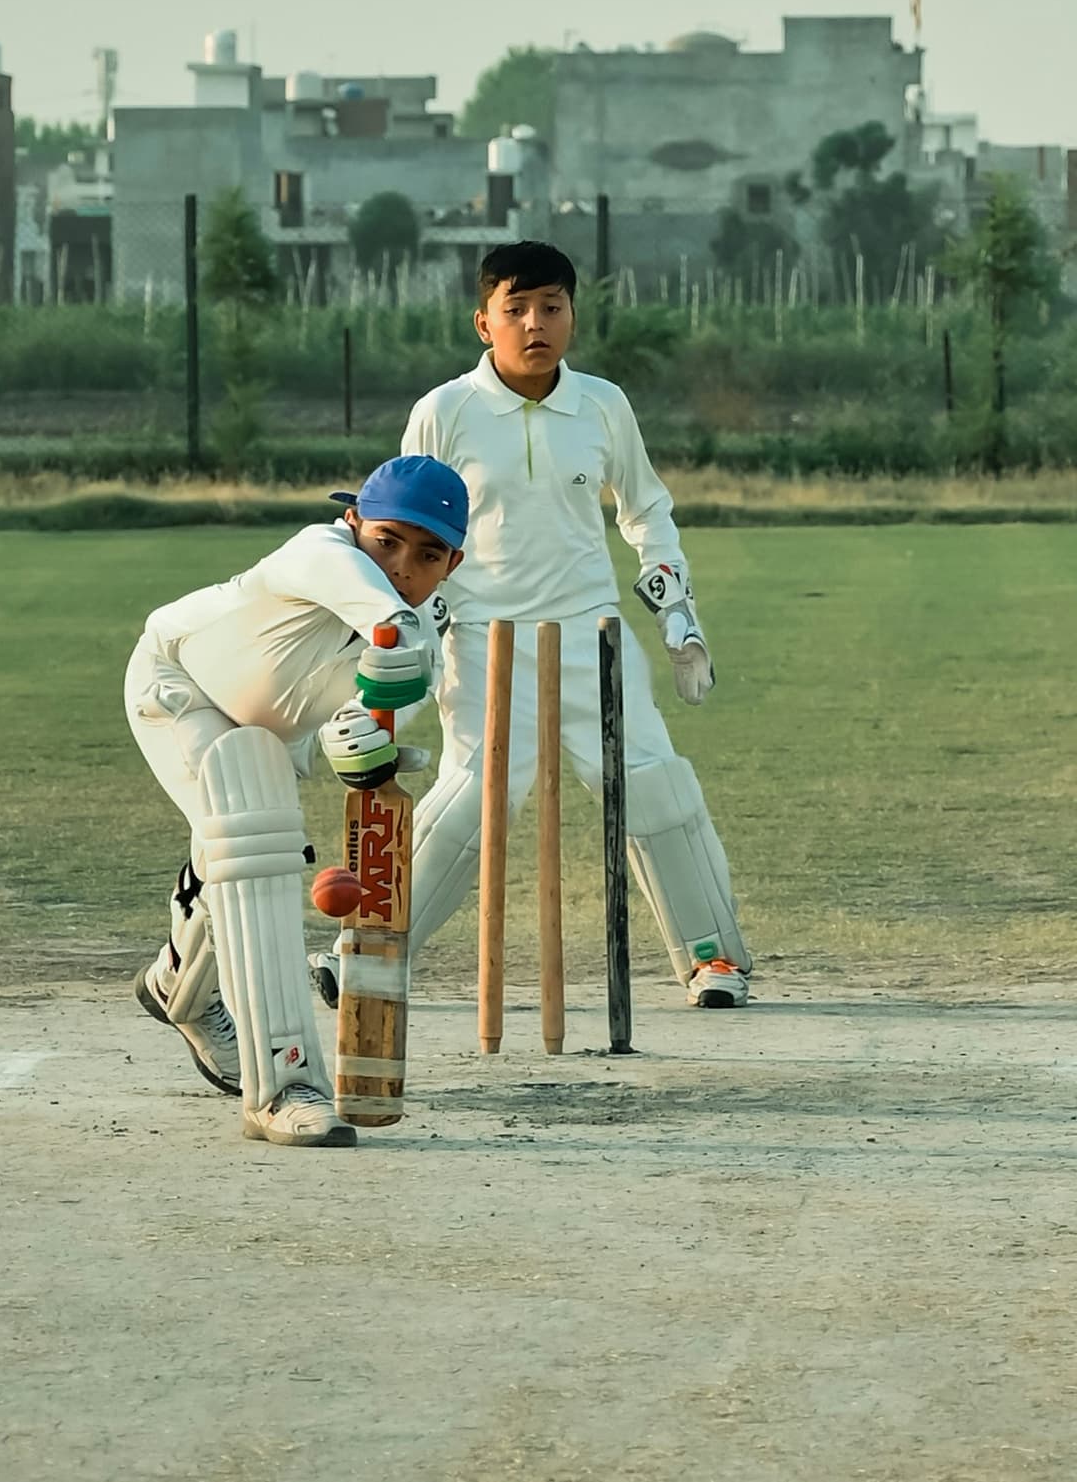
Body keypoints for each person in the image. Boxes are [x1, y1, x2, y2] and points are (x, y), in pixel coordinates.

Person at [400, 240, 757, 1005]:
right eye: (517, 309)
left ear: (572, 315)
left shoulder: (601, 403)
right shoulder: (444, 411)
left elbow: (647, 511)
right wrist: (411, 642)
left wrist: (678, 618)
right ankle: (368, 950)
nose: (536, 324)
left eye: (552, 307)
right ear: (483, 321)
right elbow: (408, 533)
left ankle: (711, 958)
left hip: (590, 632)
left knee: (653, 784)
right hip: (484, 638)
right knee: (469, 799)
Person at [122, 455, 467, 1145]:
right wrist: (399, 655)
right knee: (259, 843)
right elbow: (388, 627)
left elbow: (339, 722)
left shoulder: (422, 630)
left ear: (451, 563)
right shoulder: (320, 552)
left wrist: (359, 745)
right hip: (178, 682)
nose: (402, 563)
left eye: (428, 554)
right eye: (388, 539)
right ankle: (284, 1086)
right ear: (354, 522)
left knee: (239, 845)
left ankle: (177, 983)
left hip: (269, 725)